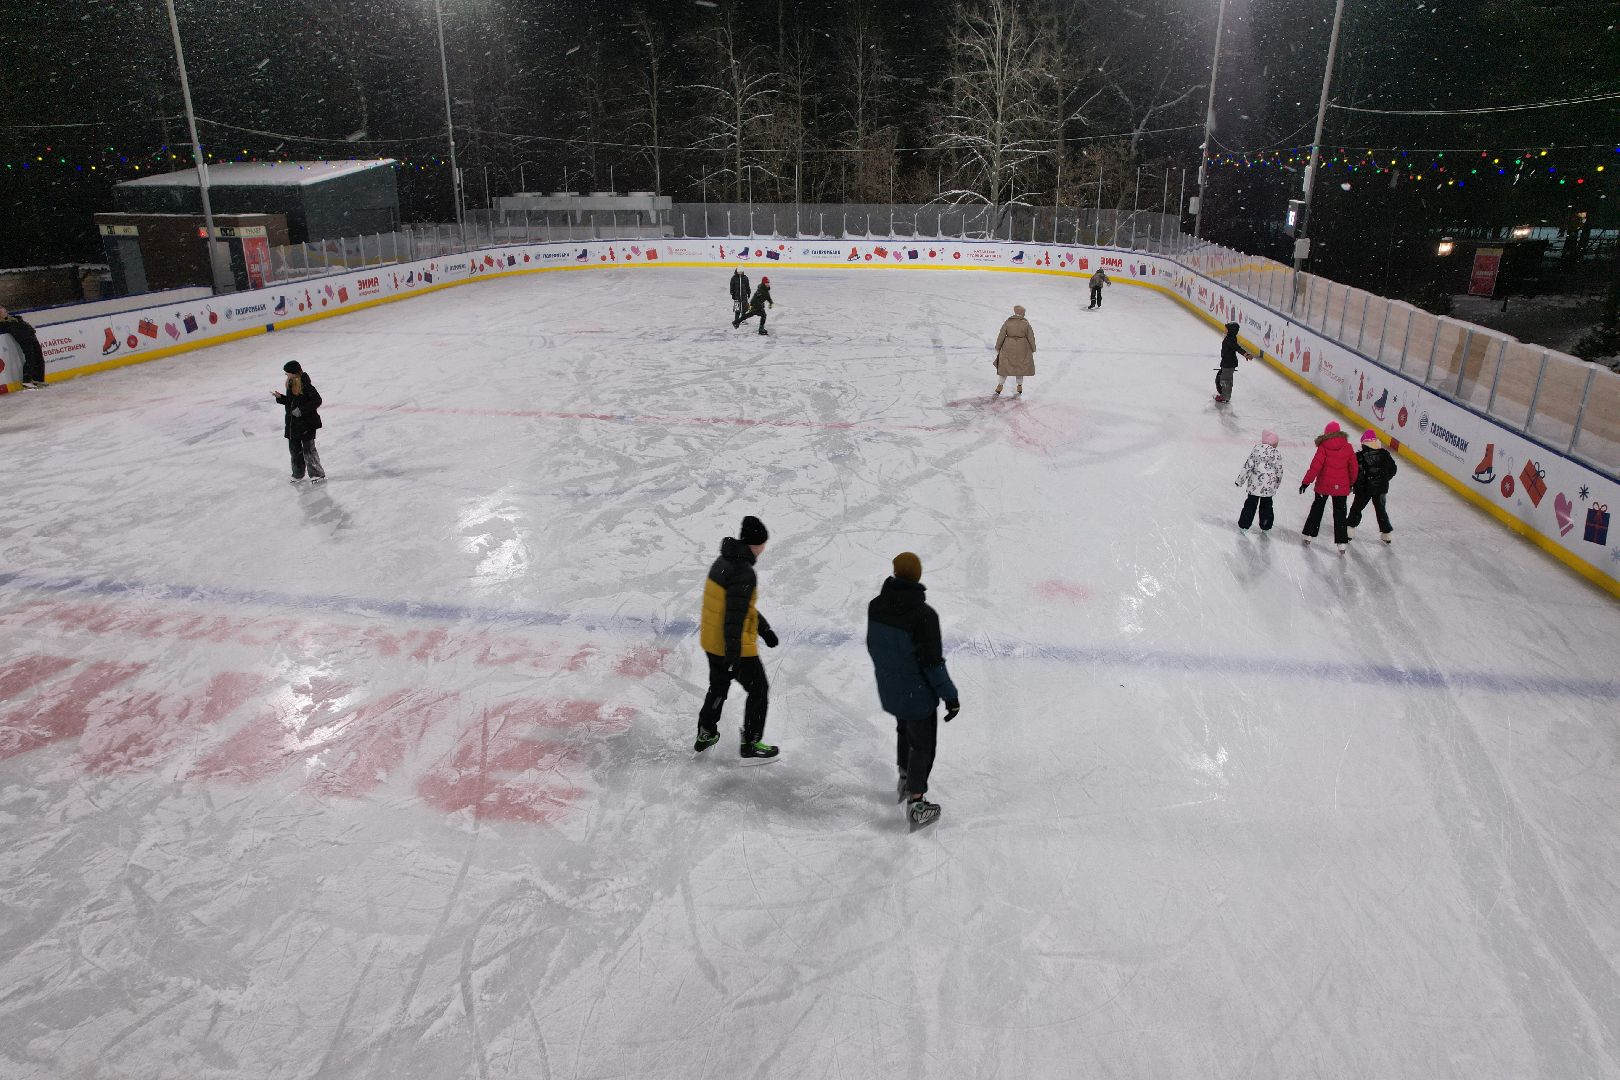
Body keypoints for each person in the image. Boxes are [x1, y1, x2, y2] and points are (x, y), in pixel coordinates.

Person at [866, 552, 959, 829]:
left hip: (891, 686)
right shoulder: (924, 616)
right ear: (917, 577)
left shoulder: (876, 606)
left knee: (903, 731)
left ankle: (905, 778)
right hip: (916, 691)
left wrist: (890, 675)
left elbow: (874, 645)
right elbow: (932, 663)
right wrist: (950, 696)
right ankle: (917, 802)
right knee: (922, 744)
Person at [696, 515, 780, 758]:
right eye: (763, 543)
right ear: (756, 544)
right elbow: (734, 618)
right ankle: (751, 742)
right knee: (759, 690)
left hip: (712, 642)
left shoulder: (723, 561)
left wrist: (764, 630)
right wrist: (733, 656)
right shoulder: (743, 572)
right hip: (734, 646)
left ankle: (706, 731)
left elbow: (739, 607)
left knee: (719, 687)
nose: (764, 547)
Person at [1299, 421, 1358, 552]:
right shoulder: (1348, 447)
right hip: (1341, 487)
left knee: (1317, 509)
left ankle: (1309, 534)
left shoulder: (1323, 446)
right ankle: (1342, 543)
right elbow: (1354, 468)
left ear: (1326, 433)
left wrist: (1306, 482)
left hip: (1324, 485)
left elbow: (1315, 466)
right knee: (1340, 514)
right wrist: (1352, 483)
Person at [272, 360, 325, 484]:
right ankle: (298, 474)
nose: (286, 375)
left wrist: (301, 410)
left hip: (306, 423)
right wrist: (281, 398)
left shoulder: (306, 385)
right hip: (293, 425)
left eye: (287, 373)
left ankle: (317, 474)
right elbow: (291, 402)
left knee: (308, 450)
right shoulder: (291, 385)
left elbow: (317, 400)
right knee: (295, 450)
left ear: (294, 373)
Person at [1347, 429, 1398, 543]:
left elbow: (1355, 473)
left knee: (1356, 509)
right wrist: (1383, 479)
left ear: (1364, 443)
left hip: (1364, 489)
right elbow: (1393, 469)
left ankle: (1349, 530)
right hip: (1380, 489)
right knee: (1381, 510)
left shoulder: (1359, 456)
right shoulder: (1385, 454)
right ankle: (1387, 534)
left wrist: (1354, 485)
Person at [1234, 429, 1283, 532]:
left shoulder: (1256, 449)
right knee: (1267, 506)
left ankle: (1244, 524)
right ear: (1274, 443)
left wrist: (1240, 480)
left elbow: (1248, 466)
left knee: (1250, 504)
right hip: (1269, 487)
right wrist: (1277, 484)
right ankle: (1266, 525)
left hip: (1255, 485)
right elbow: (1279, 471)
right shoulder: (1276, 453)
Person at [993, 304, 1036, 397]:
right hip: (1023, 347)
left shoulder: (1008, 322)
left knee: (1005, 367)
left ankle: (999, 387)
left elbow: (1001, 335)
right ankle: (1019, 386)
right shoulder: (1026, 324)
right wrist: (1033, 348)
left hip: (1008, 346)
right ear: (1021, 313)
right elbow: (1031, 337)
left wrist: (998, 346)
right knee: (1020, 368)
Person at [0, 305, 47, 389]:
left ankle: (38, 379)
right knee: (30, 358)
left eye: (2, 310)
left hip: (31, 336)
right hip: (24, 340)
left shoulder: (16, 318)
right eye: (0, 312)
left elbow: (24, 326)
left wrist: (31, 331)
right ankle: (27, 380)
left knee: (39, 358)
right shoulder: (3, 323)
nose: (2, 312)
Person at [1215, 322, 1253, 403]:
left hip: (1229, 363)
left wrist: (1246, 354)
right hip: (1226, 362)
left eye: (1226, 328)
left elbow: (1237, 348)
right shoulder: (1230, 337)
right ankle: (1223, 393)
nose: (1224, 329)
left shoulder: (1230, 340)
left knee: (1225, 380)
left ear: (1231, 331)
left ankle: (1225, 397)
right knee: (1221, 377)